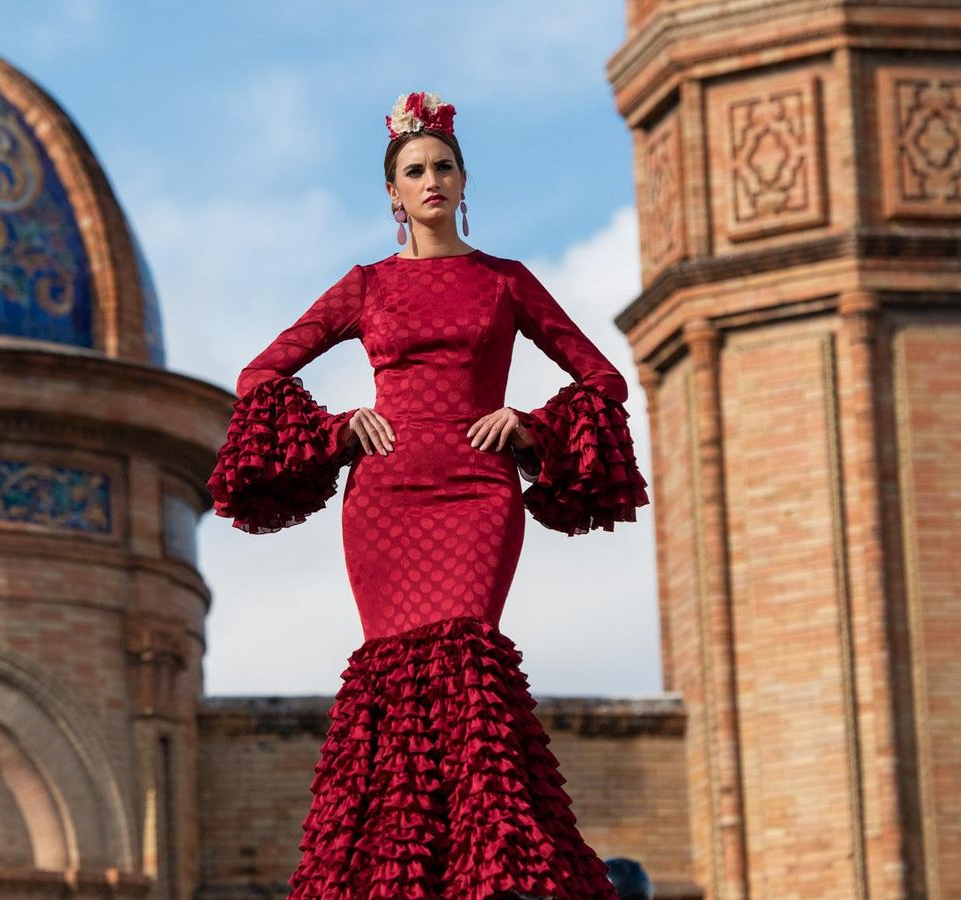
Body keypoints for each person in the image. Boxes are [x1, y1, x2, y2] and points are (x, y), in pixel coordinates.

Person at [206, 90, 648, 900]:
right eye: (416, 170)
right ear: (393, 194)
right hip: (386, 495)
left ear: (464, 181)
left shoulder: (506, 282)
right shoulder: (367, 286)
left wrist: (529, 425)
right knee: (394, 684)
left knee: (468, 662)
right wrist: (338, 429)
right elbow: (259, 373)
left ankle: (492, 873)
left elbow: (603, 376)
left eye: (444, 166)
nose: (432, 179)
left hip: (479, 494)